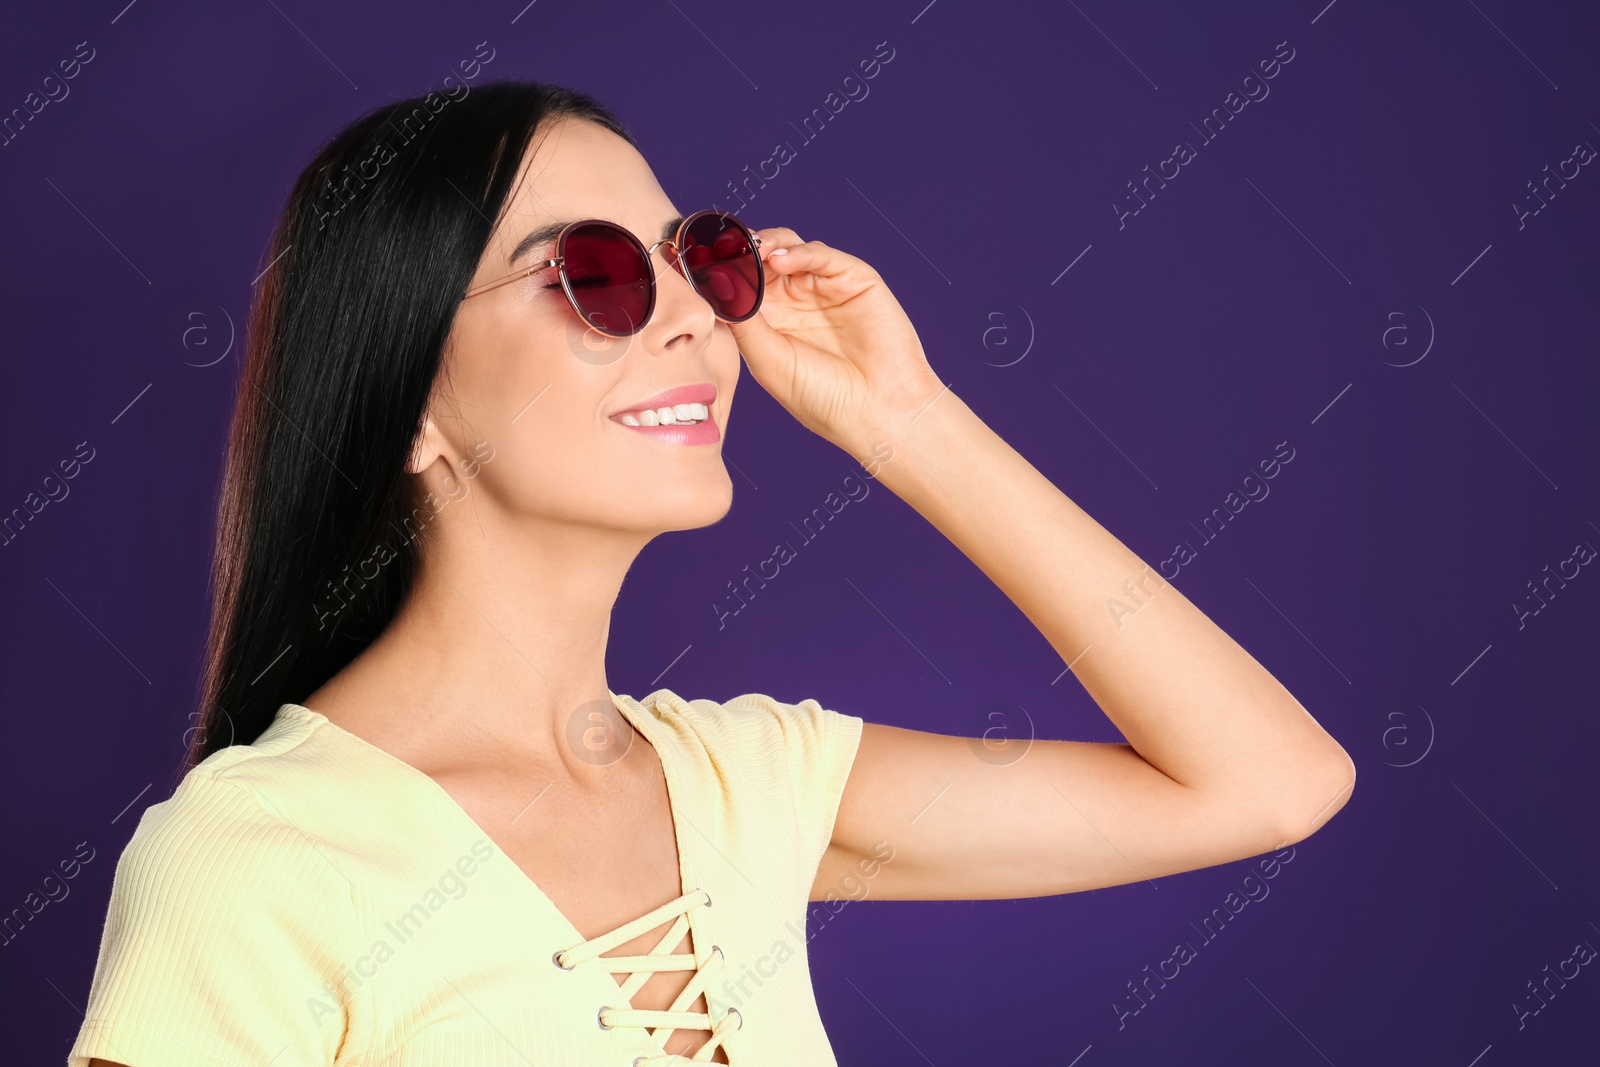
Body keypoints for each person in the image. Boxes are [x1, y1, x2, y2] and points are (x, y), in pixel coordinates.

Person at [68, 79, 1354, 1067]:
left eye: (696, 260)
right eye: (596, 275)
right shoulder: (258, 855)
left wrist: (904, 420)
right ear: (409, 402)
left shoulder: (744, 781)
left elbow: (1269, 782)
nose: (694, 316)